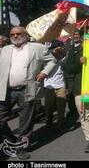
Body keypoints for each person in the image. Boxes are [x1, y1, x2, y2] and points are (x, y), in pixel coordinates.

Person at [0, 26, 57, 160]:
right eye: (12, 34)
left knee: (26, 121)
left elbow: (52, 61)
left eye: (18, 33)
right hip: (6, 90)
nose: (15, 36)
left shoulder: (37, 47)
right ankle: (12, 138)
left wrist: (44, 72)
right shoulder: (5, 50)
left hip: (27, 89)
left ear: (25, 34)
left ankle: (21, 148)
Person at [44, 40, 67, 132]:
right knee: (48, 106)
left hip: (60, 85)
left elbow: (66, 65)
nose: (56, 50)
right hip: (48, 85)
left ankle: (60, 123)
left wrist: (61, 53)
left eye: (59, 48)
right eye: (54, 48)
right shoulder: (46, 56)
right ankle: (49, 120)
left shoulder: (64, 57)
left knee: (61, 107)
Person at [62, 30, 83, 120]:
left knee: (78, 93)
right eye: (74, 34)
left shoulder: (84, 46)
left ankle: (81, 109)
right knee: (70, 94)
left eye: (78, 34)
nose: (76, 36)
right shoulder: (68, 47)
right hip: (69, 74)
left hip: (79, 73)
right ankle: (72, 110)